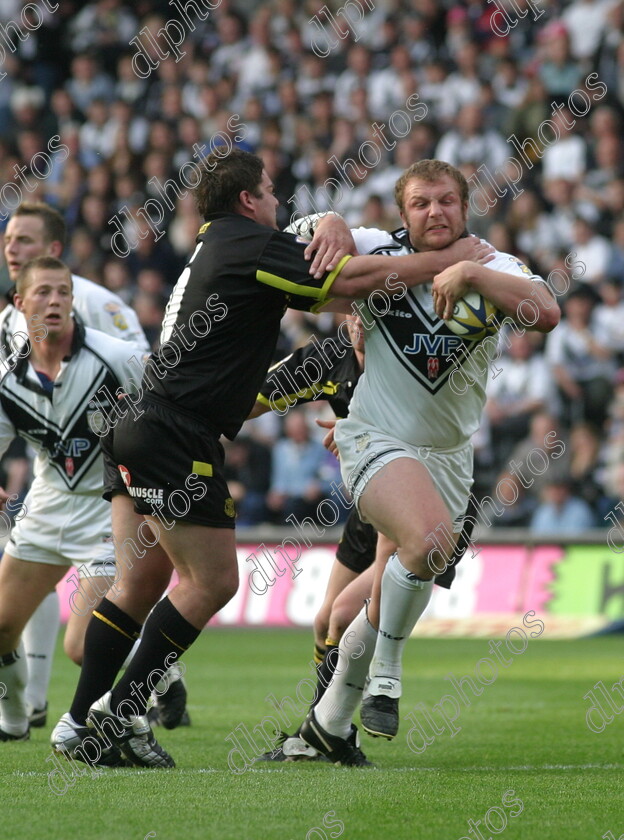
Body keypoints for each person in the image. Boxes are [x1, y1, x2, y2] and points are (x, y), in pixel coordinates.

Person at [52, 149, 492, 769]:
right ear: (248, 201)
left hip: (146, 422)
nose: (279, 201)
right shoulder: (251, 245)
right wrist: (451, 262)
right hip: (180, 431)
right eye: (270, 189)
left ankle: (80, 720)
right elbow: (348, 283)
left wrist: (334, 221)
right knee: (213, 582)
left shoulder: (217, 245)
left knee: (141, 584)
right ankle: (114, 717)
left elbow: (327, 271)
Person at [292, 159, 560, 765]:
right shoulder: (374, 247)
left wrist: (468, 270)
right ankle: (387, 675)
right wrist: (330, 219)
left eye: (446, 201)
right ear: (402, 212)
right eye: (421, 203)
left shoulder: (493, 265)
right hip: (373, 437)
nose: (435, 212)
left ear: (465, 209)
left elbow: (545, 312)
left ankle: (327, 727)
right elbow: (302, 267)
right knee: (424, 545)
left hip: (448, 460)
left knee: (366, 603)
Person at [250, 315, 473, 762]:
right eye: (354, 312)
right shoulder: (329, 357)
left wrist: (351, 433)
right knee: (324, 621)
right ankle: (326, 730)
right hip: (372, 500)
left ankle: (339, 722)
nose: (361, 323)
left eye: (372, 313)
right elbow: (253, 395)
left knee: (346, 615)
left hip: (428, 500)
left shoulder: (415, 353)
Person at [0, 201, 151, 732]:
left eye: (62, 293)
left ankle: (134, 711)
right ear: (20, 304)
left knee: (82, 645)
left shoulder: (117, 357)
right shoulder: (7, 375)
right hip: (45, 504)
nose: (55, 301)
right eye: (43, 293)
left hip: (107, 513)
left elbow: (170, 399)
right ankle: (16, 711)